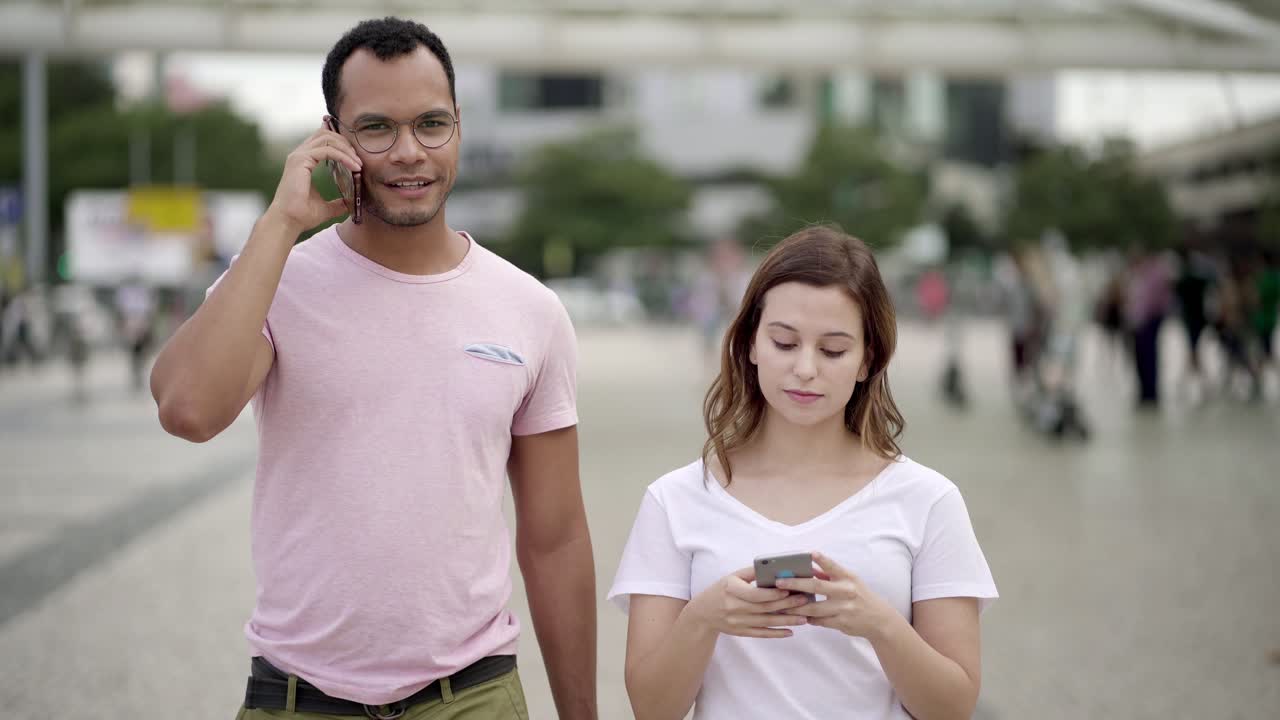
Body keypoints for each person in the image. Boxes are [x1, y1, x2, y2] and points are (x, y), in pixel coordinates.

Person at [149, 17, 597, 720]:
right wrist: (280, 223)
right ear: (333, 136)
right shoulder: (276, 281)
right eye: (377, 128)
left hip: (471, 694)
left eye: (431, 124)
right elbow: (187, 410)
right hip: (297, 697)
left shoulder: (530, 310)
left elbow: (555, 539)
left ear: (459, 125)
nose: (409, 152)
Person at [609, 226, 997, 720]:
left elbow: (953, 707)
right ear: (751, 344)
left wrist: (878, 622)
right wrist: (703, 618)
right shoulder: (675, 500)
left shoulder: (928, 500)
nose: (806, 369)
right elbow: (651, 708)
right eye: (784, 342)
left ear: (867, 359)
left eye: (833, 350)